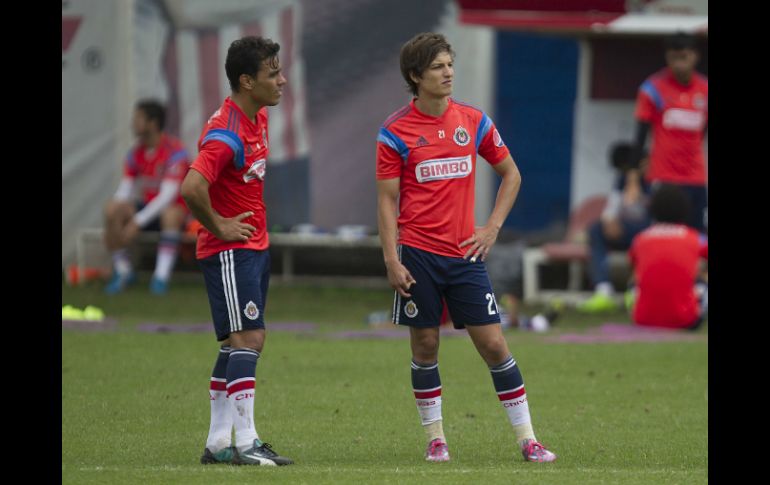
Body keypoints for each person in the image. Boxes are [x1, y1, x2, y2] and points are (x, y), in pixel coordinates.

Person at [375, 32, 556, 463]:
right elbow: (386, 200)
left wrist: (491, 228)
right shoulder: (394, 131)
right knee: (425, 344)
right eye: (438, 67)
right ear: (415, 76)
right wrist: (390, 259)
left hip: (465, 256)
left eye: (450, 64)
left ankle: (528, 440)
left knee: (493, 344)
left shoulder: (473, 121)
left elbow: (511, 174)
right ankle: (436, 439)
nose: (448, 73)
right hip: (417, 255)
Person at [180, 36, 293, 466]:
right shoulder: (225, 135)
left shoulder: (256, 115)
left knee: (235, 343)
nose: (282, 80)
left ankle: (217, 444)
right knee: (250, 338)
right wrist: (220, 226)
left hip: (252, 247)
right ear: (247, 81)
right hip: (230, 251)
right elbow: (192, 187)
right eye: (272, 74)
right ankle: (246, 444)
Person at [103, 100, 191, 295]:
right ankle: (123, 270)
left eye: (138, 119)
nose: (133, 123)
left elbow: (168, 196)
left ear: (153, 123)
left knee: (171, 214)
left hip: (173, 213)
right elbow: (124, 191)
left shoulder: (175, 151)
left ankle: (160, 277)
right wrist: (113, 216)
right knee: (111, 208)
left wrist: (137, 222)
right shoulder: (136, 153)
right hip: (147, 209)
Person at [633, 32, 708, 234]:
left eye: (684, 57)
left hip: (695, 178)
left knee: (698, 237)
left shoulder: (705, 89)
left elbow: (702, 132)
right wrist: (633, 178)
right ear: (667, 57)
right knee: (662, 234)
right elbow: (640, 136)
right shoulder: (652, 89)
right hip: (663, 177)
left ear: (695, 56)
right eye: (673, 58)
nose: (679, 64)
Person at [579, 143, 652, 313]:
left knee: (651, 238)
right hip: (626, 230)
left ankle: (637, 290)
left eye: (627, 168)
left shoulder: (655, 179)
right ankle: (603, 290)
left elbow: (660, 214)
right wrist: (609, 220)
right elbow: (612, 207)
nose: (626, 173)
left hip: (650, 231)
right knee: (596, 229)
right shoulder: (622, 179)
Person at [627, 184, 708, 330]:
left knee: (634, 280)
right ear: (684, 209)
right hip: (686, 319)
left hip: (643, 318)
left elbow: (633, 266)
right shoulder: (695, 238)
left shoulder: (640, 239)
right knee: (701, 278)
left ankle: (645, 309)